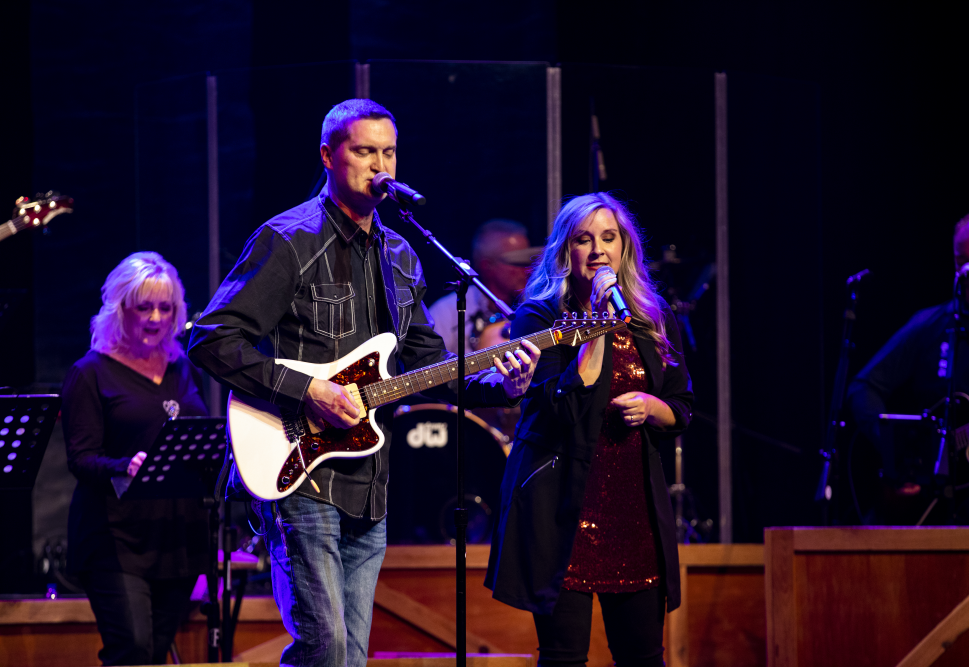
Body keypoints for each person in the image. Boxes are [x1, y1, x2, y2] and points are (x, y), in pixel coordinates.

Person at [187, 98, 540, 667]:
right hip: (299, 470)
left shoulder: (402, 255)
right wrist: (308, 391)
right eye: (365, 151)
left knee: (352, 655)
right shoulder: (289, 240)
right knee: (323, 646)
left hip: (370, 479)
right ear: (329, 156)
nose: (381, 165)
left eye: (389, 153)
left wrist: (503, 386)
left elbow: (428, 366)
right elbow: (210, 338)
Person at [485, 193, 695, 667]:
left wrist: (652, 406)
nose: (598, 250)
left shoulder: (653, 316)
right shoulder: (539, 317)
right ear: (566, 250)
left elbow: (683, 406)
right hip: (562, 509)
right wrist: (597, 328)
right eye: (584, 239)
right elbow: (564, 408)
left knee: (644, 658)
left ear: (624, 248)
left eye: (608, 238)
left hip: (633, 510)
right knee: (563, 658)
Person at [62, 252, 210, 665]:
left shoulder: (184, 368)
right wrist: (123, 466)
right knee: (132, 649)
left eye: (166, 308)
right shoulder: (90, 373)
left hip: (178, 537)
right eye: (144, 307)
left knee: (154, 655)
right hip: (116, 539)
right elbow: (81, 458)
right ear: (120, 309)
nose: (156, 318)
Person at [848, 210, 969, 523]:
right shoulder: (930, 325)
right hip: (940, 513)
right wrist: (897, 450)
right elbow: (864, 387)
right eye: (962, 262)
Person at [428, 219, 533, 353]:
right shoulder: (446, 312)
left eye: (528, 262)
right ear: (487, 266)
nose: (527, 269)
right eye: (517, 263)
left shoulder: (534, 306)